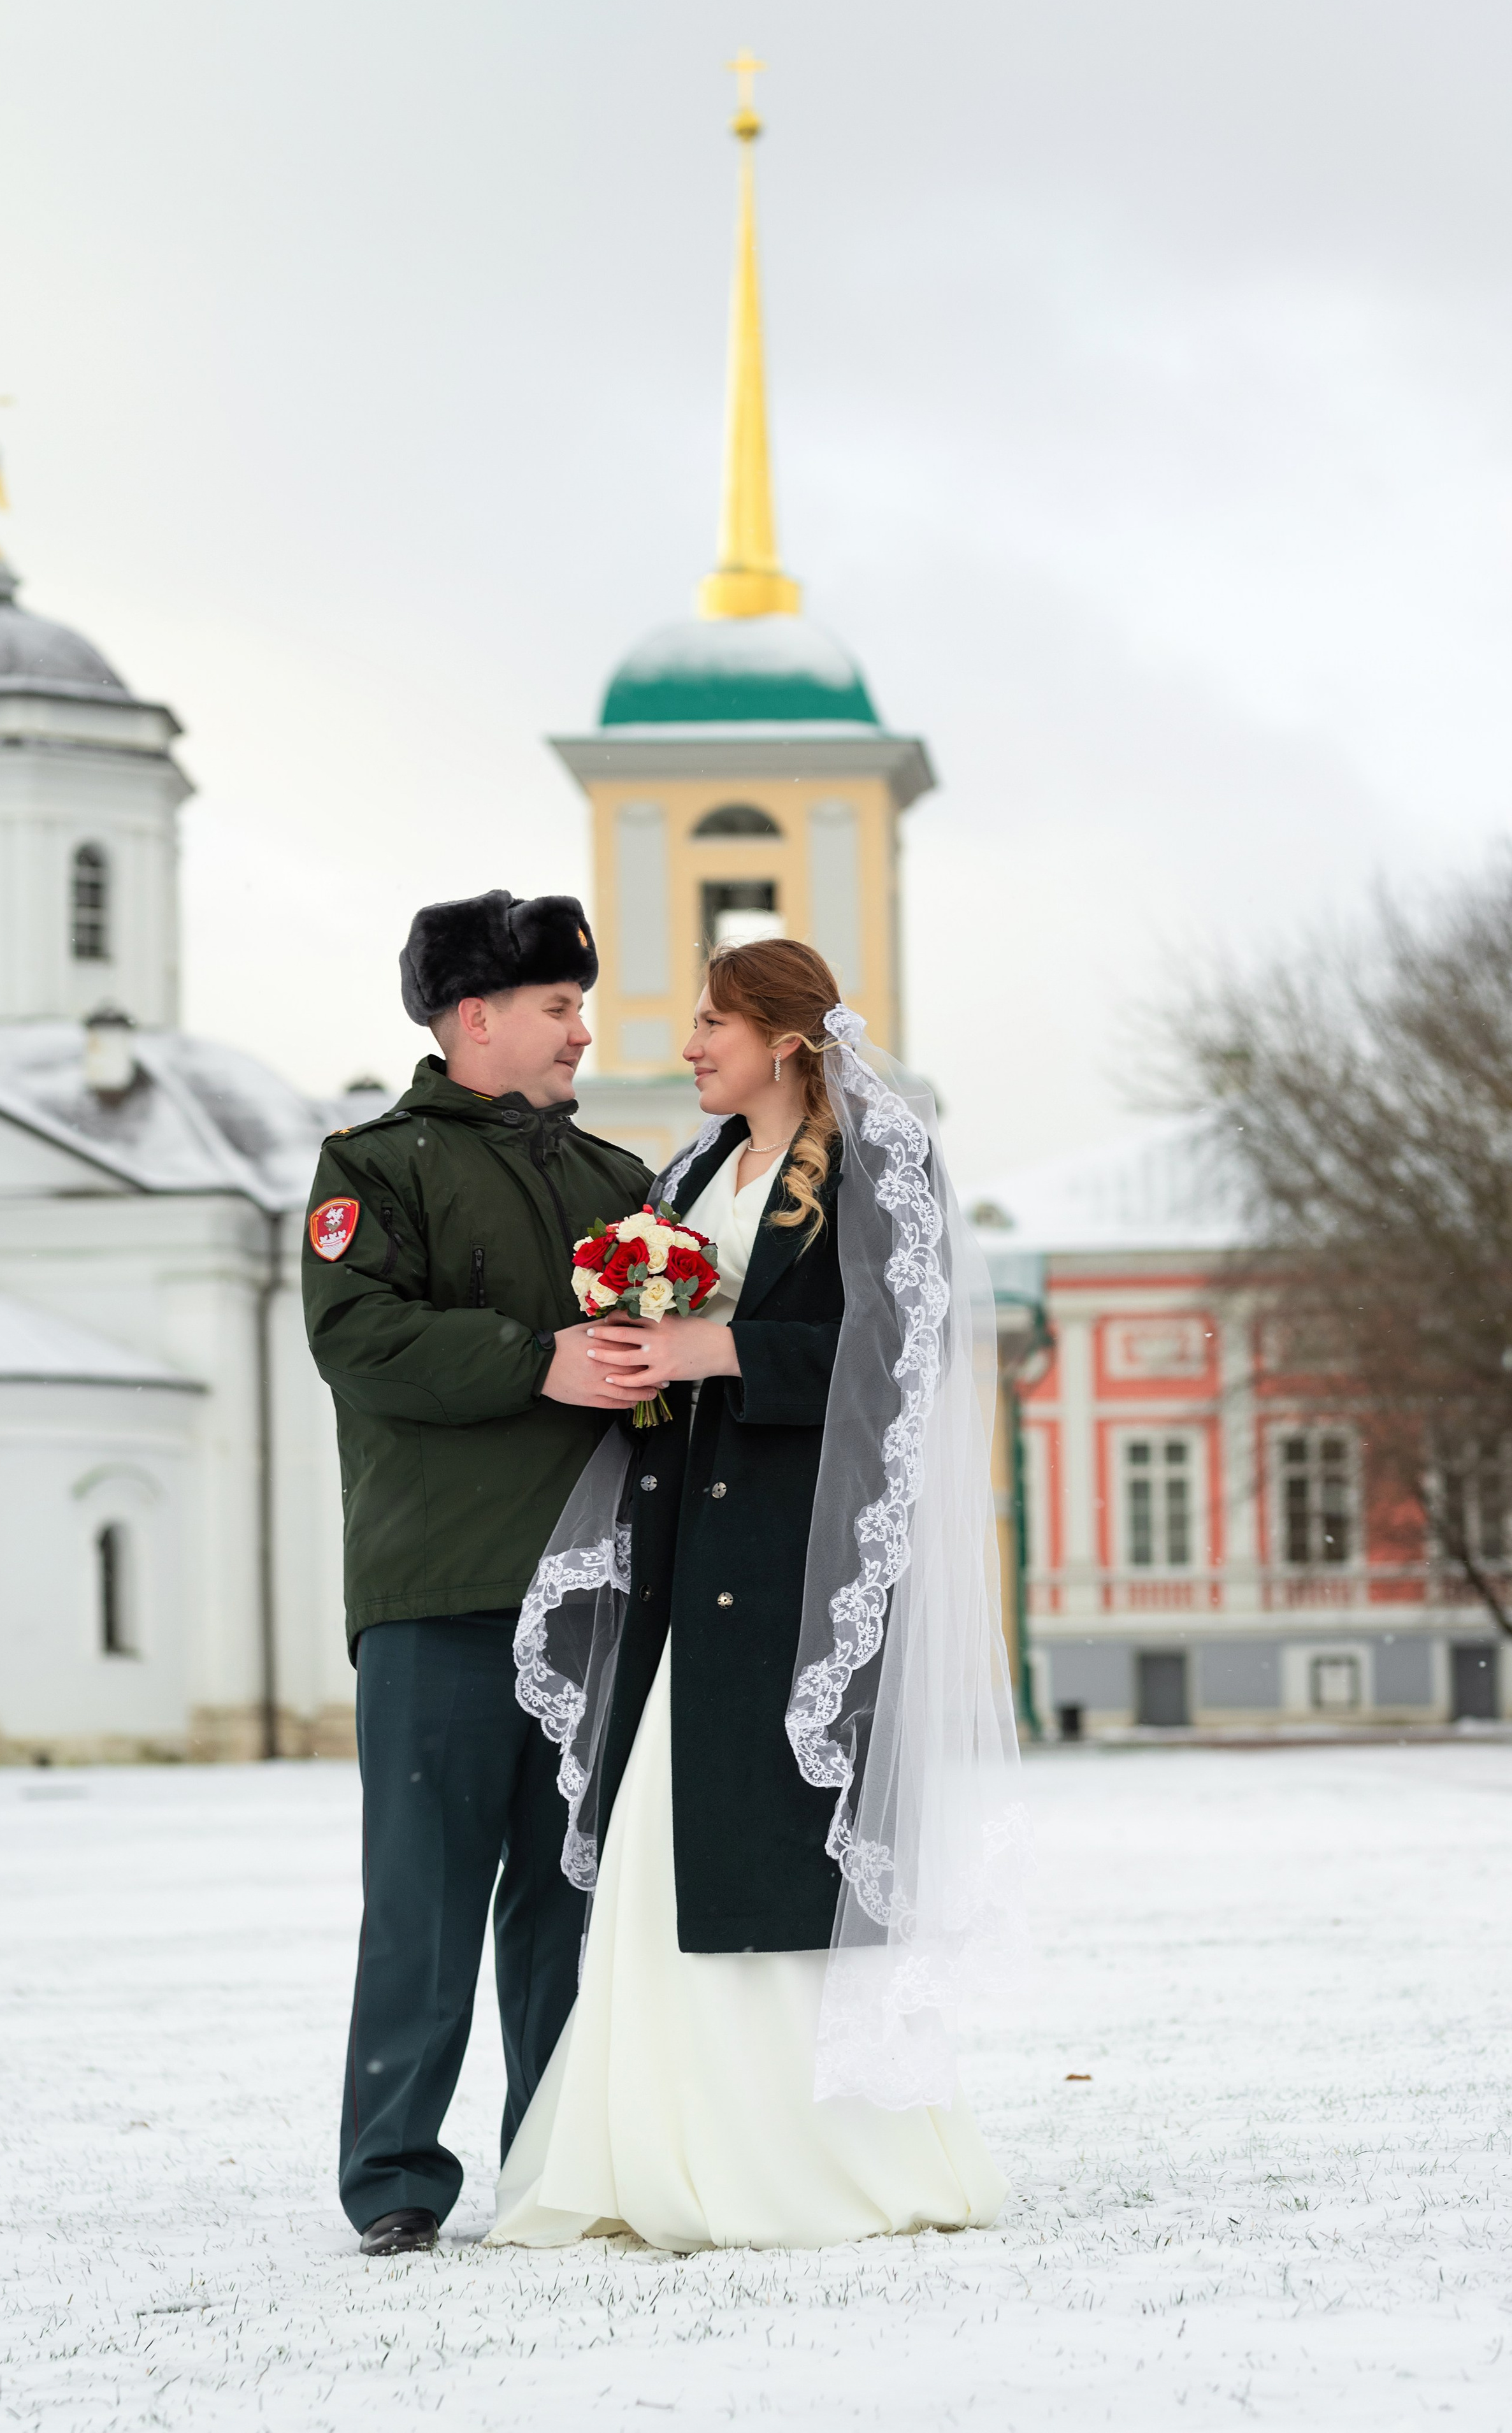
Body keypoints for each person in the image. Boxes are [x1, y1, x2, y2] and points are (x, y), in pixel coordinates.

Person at [491, 938, 1025, 2252]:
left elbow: (900, 1352)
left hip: (798, 1563)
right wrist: (641, 1357)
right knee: (655, 1842)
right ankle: (648, 2154)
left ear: (783, 1038)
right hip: (685, 1563)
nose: (685, 1046)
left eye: (710, 1024)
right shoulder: (692, 1172)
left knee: (765, 1846)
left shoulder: (869, 1172)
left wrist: (715, 1345)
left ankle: (801, 2164)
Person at [301, 888, 657, 2256]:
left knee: (571, 1902)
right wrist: (539, 1360)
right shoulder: (373, 1169)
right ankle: (393, 2176)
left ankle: (555, 2159)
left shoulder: (617, 1185)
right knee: (424, 1899)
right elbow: (361, 1337)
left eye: (578, 1006)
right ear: (474, 1017)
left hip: (593, 1600)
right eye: (559, 1008)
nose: (581, 1031)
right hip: (437, 1599)